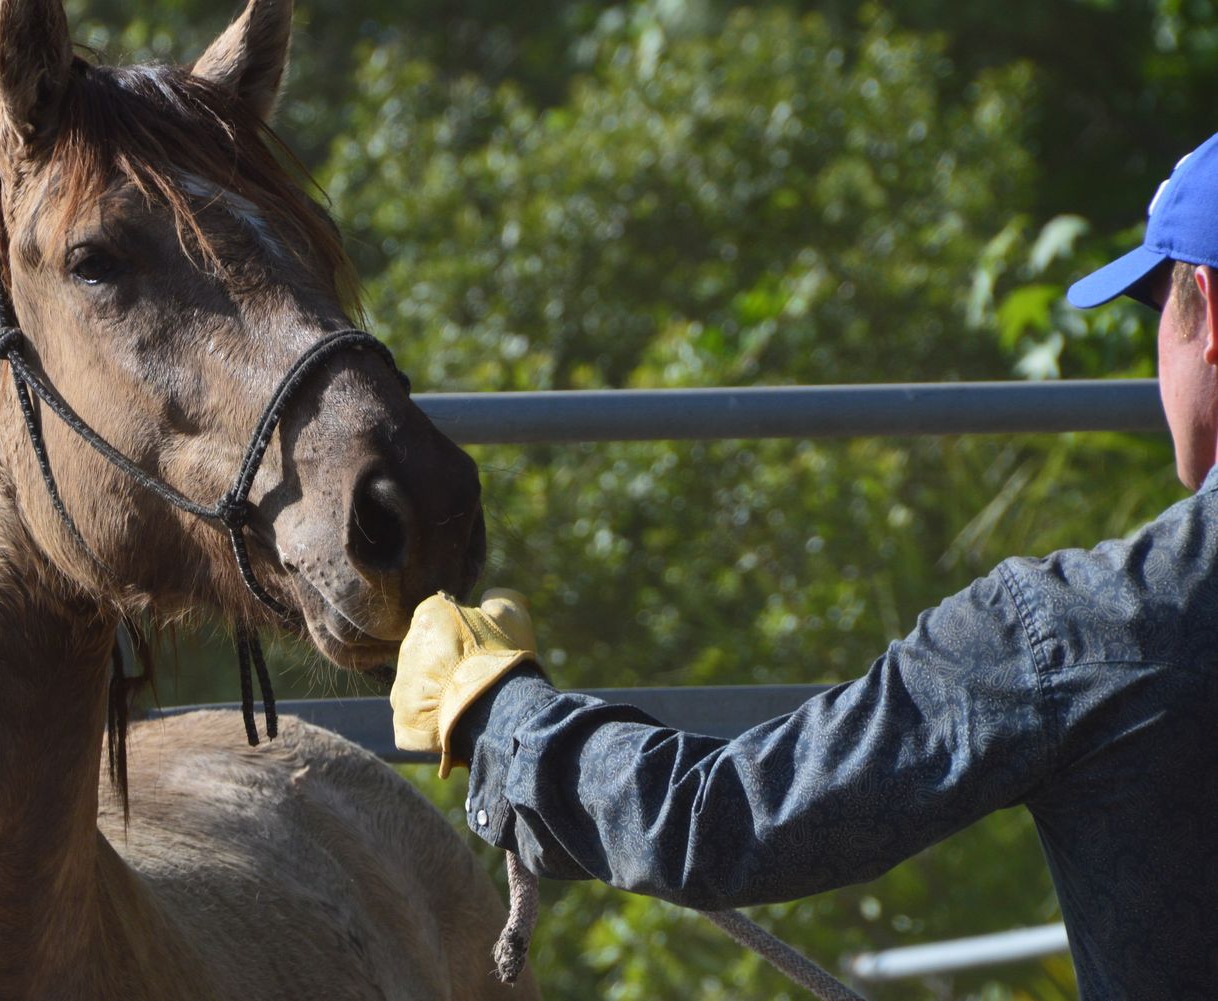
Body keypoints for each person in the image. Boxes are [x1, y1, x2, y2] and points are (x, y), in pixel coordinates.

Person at [391, 131, 1218, 997]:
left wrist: (500, 714)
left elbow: (718, 822)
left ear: (1206, 306)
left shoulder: (1086, 629)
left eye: (1155, 306)